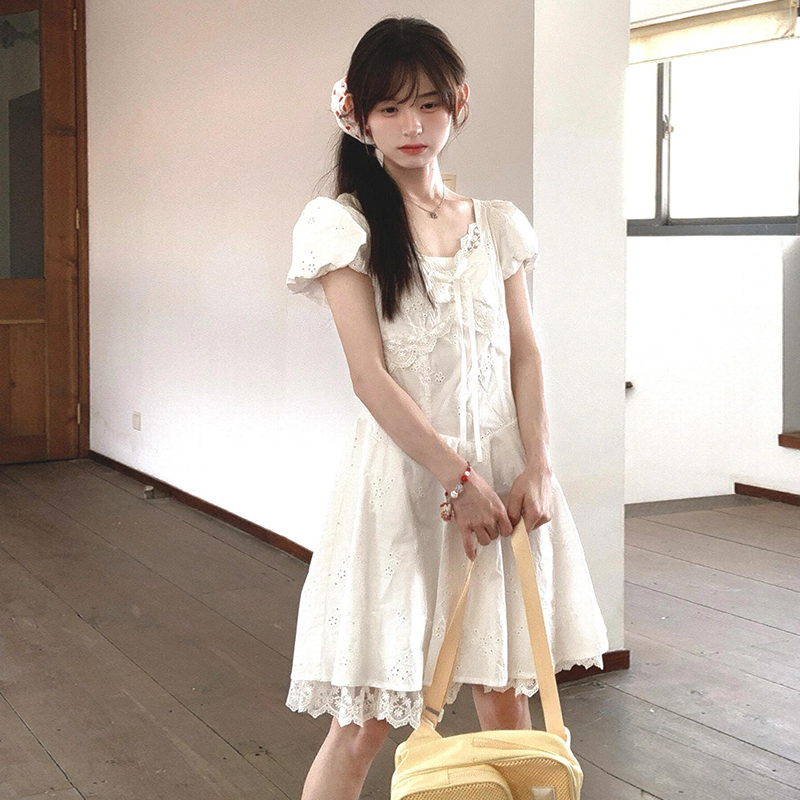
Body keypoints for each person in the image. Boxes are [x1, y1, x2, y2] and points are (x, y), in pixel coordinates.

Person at [284, 16, 609, 800]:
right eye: (391, 107)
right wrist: (456, 481)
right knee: (363, 723)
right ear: (358, 116)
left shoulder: (495, 224)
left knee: (506, 701)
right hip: (406, 486)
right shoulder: (345, 225)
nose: (413, 125)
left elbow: (526, 354)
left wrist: (540, 465)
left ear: (459, 103)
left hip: (502, 481)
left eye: (429, 104)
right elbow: (370, 377)